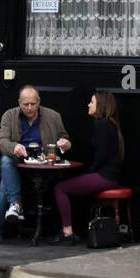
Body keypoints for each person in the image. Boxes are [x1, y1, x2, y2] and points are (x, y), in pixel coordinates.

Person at [0, 84, 70, 245]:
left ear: (39, 102)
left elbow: (65, 138)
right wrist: (14, 147)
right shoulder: (9, 116)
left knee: (5, 185)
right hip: (18, 166)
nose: (29, 108)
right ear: (19, 102)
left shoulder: (53, 116)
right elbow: (1, 142)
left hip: (43, 169)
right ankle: (13, 206)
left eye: (33, 104)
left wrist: (65, 144)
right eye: (25, 104)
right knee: (7, 160)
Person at [49, 90, 124, 245]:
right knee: (69, 185)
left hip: (105, 176)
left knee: (60, 188)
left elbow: (101, 155)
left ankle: (67, 233)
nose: (88, 104)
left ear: (100, 105)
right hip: (110, 176)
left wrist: (88, 172)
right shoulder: (110, 124)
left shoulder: (101, 124)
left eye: (92, 102)